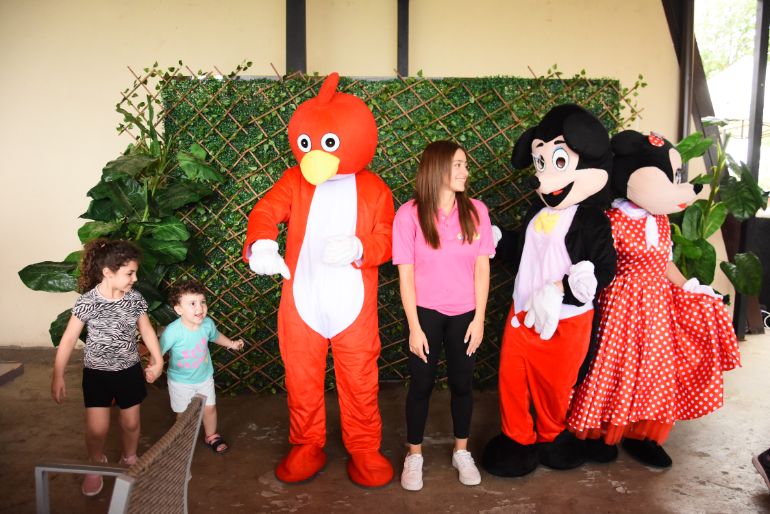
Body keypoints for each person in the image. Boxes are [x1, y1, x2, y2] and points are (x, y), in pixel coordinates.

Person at [568, 130, 741, 468]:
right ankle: (600, 430)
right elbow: (598, 264)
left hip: (657, 306)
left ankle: (639, 434)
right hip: (620, 304)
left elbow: (664, 263)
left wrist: (690, 286)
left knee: (654, 369)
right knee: (613, 366)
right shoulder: (612, 220)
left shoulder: (661, 222)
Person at [392, 140, 494, 491]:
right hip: (425, 314)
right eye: (458, 165)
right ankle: (414, 455)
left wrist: (479, 319)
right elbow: (405, 275)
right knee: (421, 384)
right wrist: (414, 327)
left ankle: (461, 451)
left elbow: (482, 269)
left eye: (465, 164)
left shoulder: (477, 211)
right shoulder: (409, 214)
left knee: (463, 384)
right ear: (437, 169)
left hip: (465, 314)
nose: (466, 171)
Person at [50, 239, 163, 496]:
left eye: (135, 273)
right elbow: (68, 339)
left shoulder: (134, 299)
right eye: (130, 273)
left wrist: (158, 360)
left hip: (129, 371)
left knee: (131, 423)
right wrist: (57, 375)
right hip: (97, 374)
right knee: (97, 429)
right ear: (108, 273)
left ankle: (130, 457)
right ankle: (95, 462)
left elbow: (146, 330)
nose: (135, 278)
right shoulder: (87, 302)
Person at [160, 279, 245, 454]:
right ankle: (183, 438)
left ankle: (211, 435)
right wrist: (154, 367)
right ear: (178, 309)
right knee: (183, 414)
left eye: (202, 302)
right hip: (180, 382)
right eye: (192, 303)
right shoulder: (172, 331)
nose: (200, 308)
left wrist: (231, 344)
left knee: (210, 408)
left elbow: (216, 336)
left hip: (204, 377)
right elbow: (158, 351)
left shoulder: (207, 324)